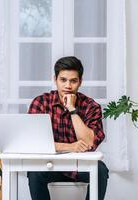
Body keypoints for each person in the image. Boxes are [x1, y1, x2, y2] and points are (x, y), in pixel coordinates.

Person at [27, 56, 109, 200]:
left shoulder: (91, 106)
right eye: (63, 80)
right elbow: (34, 144)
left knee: (100, 170)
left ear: (80, 82)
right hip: (50, 165)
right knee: (34, 172)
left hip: (80, 165)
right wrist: (70, 147)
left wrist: (72, 109)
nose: (68, 86)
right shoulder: (41, 103)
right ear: (55, 79)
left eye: (73, 81)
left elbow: (89, 143)